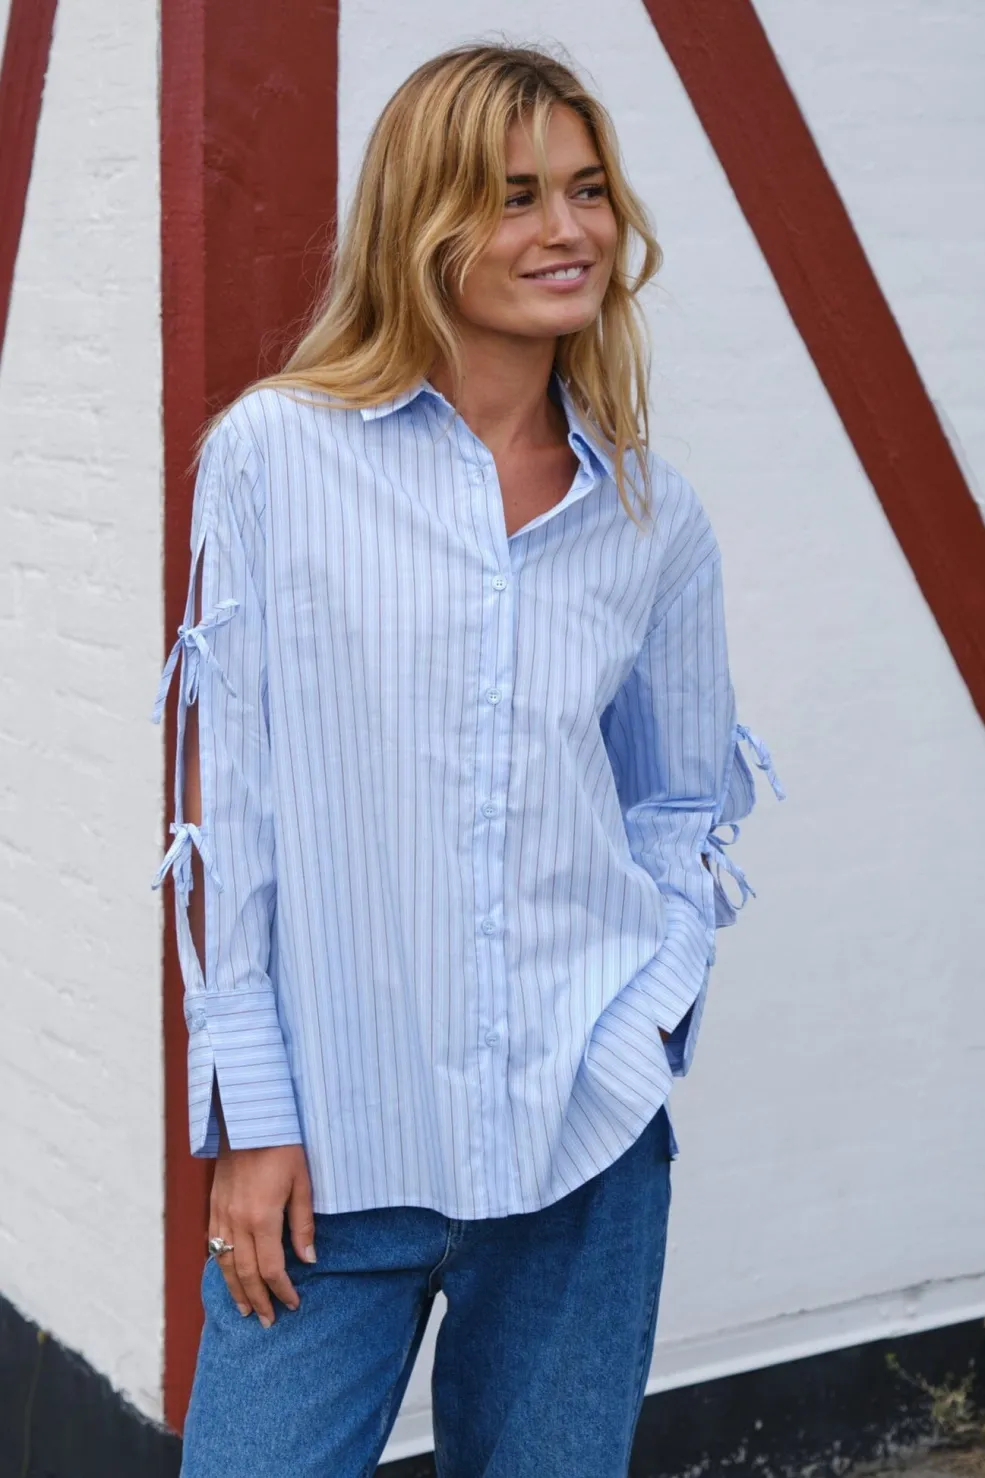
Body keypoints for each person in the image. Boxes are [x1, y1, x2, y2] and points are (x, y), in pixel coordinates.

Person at [151, 40, 784, 1478]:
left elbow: (678, 801)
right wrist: (254, 1116)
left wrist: (646, 1019)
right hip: (330, 1167)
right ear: (420, 220)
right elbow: (225, 809)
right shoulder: (273, 459)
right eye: (512, 195)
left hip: (584, 1158)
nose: (566, 229)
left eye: (586, 189)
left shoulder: (650, 518)